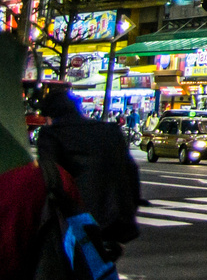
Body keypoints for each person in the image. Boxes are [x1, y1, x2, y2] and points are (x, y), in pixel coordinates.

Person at [33, 87, 141, 246]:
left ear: (51, 115)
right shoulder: (110, 131)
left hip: (77, 223)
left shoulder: (52, 135)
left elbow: (50, 179)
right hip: (116, 220)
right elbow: (131, 172)